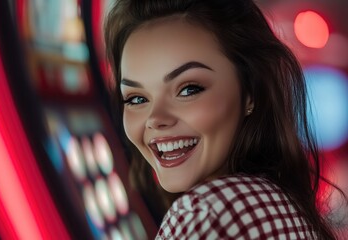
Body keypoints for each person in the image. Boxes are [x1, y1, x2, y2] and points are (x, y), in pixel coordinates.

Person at [104, 0, 339, 239]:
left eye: (188, 89)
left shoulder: (204, 213)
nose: (156, 119)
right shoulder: (277, 200)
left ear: (250, 93)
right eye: (136, 99)